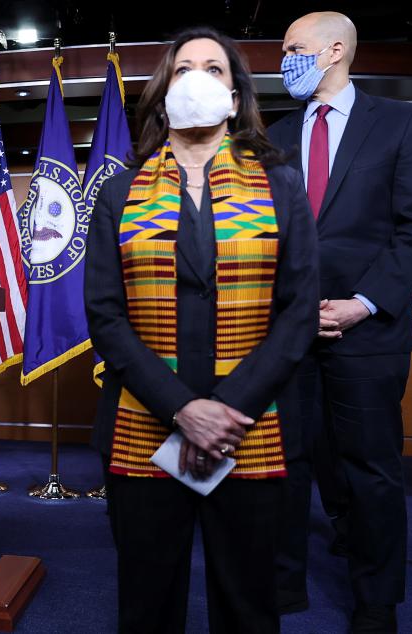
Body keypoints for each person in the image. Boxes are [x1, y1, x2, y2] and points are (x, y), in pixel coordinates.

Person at [84, 27, 318, 633]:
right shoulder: (117, 193)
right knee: (146, 602)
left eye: (214, 68)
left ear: (236, 97)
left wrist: (224, 408)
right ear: (164, 94)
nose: (197, 78)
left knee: (248, 604)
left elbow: (298, 312)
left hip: (253, 425)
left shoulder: (281, 185)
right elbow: (106, 316)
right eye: (183, 67)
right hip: (144, 423)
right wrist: (182, 408)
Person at [268, 11, 412, 631]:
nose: (283, 58)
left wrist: (364, 303)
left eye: (292, 48)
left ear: (333, 49)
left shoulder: (401, 122)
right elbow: (262, 238)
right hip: (286, 335)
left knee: (369, 471)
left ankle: (375, 602)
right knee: (282, 466)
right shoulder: (276, 134)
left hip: (367, 334)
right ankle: (281, 591)